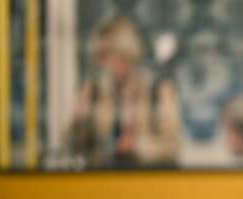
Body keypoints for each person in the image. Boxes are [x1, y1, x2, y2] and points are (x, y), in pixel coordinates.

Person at [70, 16, 180, 168]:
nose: (104, 63)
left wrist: (137, 147)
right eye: (100, 56)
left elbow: (172, 146)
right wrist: (79, 127)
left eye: (107, 54)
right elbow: (74, 146)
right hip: (101, 180)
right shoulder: (92, 91)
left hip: (149, 181)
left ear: (128, 53)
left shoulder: (159, 90)